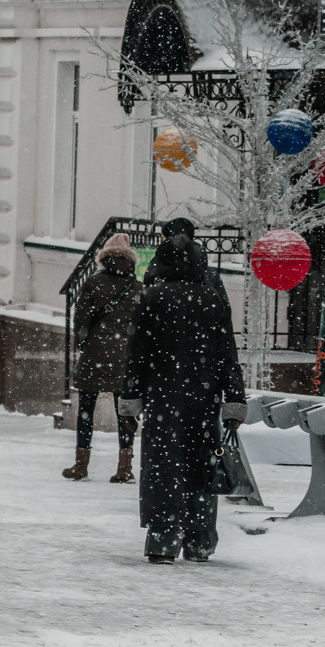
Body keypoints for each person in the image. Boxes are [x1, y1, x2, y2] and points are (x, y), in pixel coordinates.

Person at [120, 219, 245, 564]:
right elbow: (226, 353)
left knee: (164, 466)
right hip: (204, 400)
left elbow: (138, 353)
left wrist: (130, 399)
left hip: (163, 397)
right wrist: (234, 400)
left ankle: (163, 537)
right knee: (201, 465)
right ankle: (200, 538)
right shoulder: (212, 299)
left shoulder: (153, 297)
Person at [65, 233, 141, 483]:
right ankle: (124, 467)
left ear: (104, 258)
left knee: (86, 409)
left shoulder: (92, 284)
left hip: (94, 356)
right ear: (131, 260)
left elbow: (81, 323)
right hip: (125, 359)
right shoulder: (138, 288)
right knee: (125, 413)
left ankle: (81, 464)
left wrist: (86, 345)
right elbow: (141, 327)